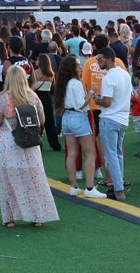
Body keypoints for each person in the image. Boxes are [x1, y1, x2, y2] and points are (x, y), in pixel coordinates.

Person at [0, 65, 60, 228]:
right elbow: (42, 120)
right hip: (30, 141)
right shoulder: (33, 96)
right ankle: (37, 216)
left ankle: (9, 218)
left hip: (8, 140)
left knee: (7, 180)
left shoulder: (4, 97)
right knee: (34, 178)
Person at [54, 55, 105, 198]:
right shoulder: (75, 83)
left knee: (71, 153)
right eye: (78, 65)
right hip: (78, 117)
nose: (80, 67)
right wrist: (92, 92)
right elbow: (80, 105)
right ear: (72, 68)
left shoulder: (63, 83)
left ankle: (74, 186)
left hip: (67, 118)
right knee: (90, 153)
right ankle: (89, 188)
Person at [94, 46, 132, 201]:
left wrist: (98, 100)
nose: (98, 63)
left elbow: (107, 102)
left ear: (109, 59)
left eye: (100, 60)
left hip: (110, 118)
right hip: (123, 118)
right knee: (117, 154)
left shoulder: (109, 77)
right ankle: (119, 184)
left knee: (111, 155)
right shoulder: (125, 74)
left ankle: (118, 189)